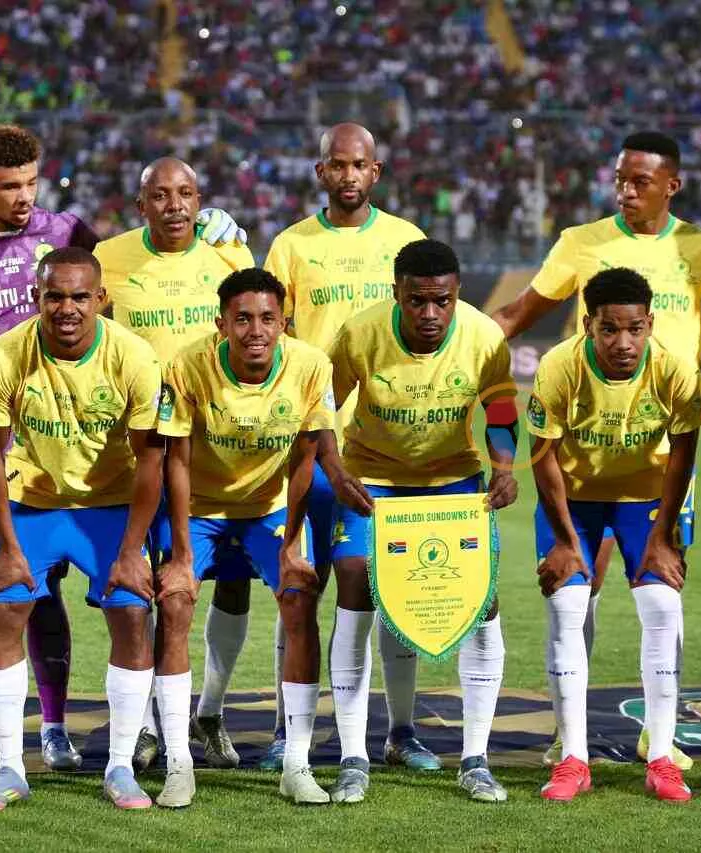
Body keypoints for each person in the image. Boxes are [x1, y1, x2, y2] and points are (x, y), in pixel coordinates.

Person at [0, 124, 246, 773]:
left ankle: (56, 727)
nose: (23, 196)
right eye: (9, 185)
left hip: (77, 424)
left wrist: (218, 229)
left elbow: (137, 256)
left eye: (31, 182)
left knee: (58, 586)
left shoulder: (67, 230)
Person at [492, 131, 701, 770]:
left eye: (639, 181)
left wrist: (679, 378)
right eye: (620, 179)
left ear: (671, 185)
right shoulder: (582, 242)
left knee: (663, 582)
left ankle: (660, 734)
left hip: (656, 451)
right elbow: (522, 311)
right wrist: (466, 347)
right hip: (587, 443)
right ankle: (568, 732)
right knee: (582, 584)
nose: (625, 190)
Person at [0, 248, 175, 811]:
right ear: (36, 297)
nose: (67, 308)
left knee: (132, 613)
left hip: (110, 506)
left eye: (80, 296)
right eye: (54, 296)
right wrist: (8, 548)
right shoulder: (5, 354)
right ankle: (10, 770)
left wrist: (132, 550)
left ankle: (121, 767)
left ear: (101, 299)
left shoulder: (134, 356)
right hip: (31, 502)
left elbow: (150, 460)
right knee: (4, 611)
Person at [322, 239, 517, 803]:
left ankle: (475, 759)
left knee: (481, 601)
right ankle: (354, 757)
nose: (430, 314)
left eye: (442, 301)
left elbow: (501, 411)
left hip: (453, 483)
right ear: (397, 294)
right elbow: (320, 410)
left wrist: (504, 467)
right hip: (373, 481)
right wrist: (335, 472)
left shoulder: (484, 336)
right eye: (417, 301)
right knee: (356, 583)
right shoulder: (360, 334)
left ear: (457, 295)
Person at [261, 122, 431, 772]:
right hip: (307, 445)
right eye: (338, 164)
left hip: (385, 452)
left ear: (375, 171)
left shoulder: (406, 241)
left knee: (393, 594)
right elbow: (270, 337)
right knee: (299, 590)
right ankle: (289, 730)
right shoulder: (291, 245)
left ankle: (401, 731)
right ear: (321, 172)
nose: (349, 175)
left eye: (359, 165)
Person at [93, 156, 254, 771]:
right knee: (145, 586)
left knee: (228, 581)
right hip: (137, 449)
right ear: (141, 206)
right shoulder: (110, 257)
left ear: (200, 199)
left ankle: (207, 712)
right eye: (160, 195)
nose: (174, 205)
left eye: (186, 193)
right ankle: (143, 726)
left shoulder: (229, 254)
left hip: (218, 446)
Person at [528, 268, 701, 803]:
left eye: (634, 328)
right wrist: (566, 542)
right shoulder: (558, 367)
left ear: (650, 323)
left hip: (646, 499)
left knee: (662, 605)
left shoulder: (675, 371)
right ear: (588, 325)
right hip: (575, 500)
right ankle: (573, 758)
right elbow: (543, 458)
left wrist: (662, 536)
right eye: (609, 329)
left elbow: (683, 454)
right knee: (567, 607)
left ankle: (662, 757)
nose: (623, 342)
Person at [157, 268, 335, 803]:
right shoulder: (187, 365)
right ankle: (178, 764)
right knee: (174, 601)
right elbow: (176, 459)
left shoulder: (311, 366)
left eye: (267, 319)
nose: (255, 331)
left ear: (284, 323)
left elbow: (305, 460)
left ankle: (297, 765)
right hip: (200, 507)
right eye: (242, 319)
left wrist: (292, 545)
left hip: (267, 508)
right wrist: (182, 553)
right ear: (221, 325)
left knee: (299, 599)